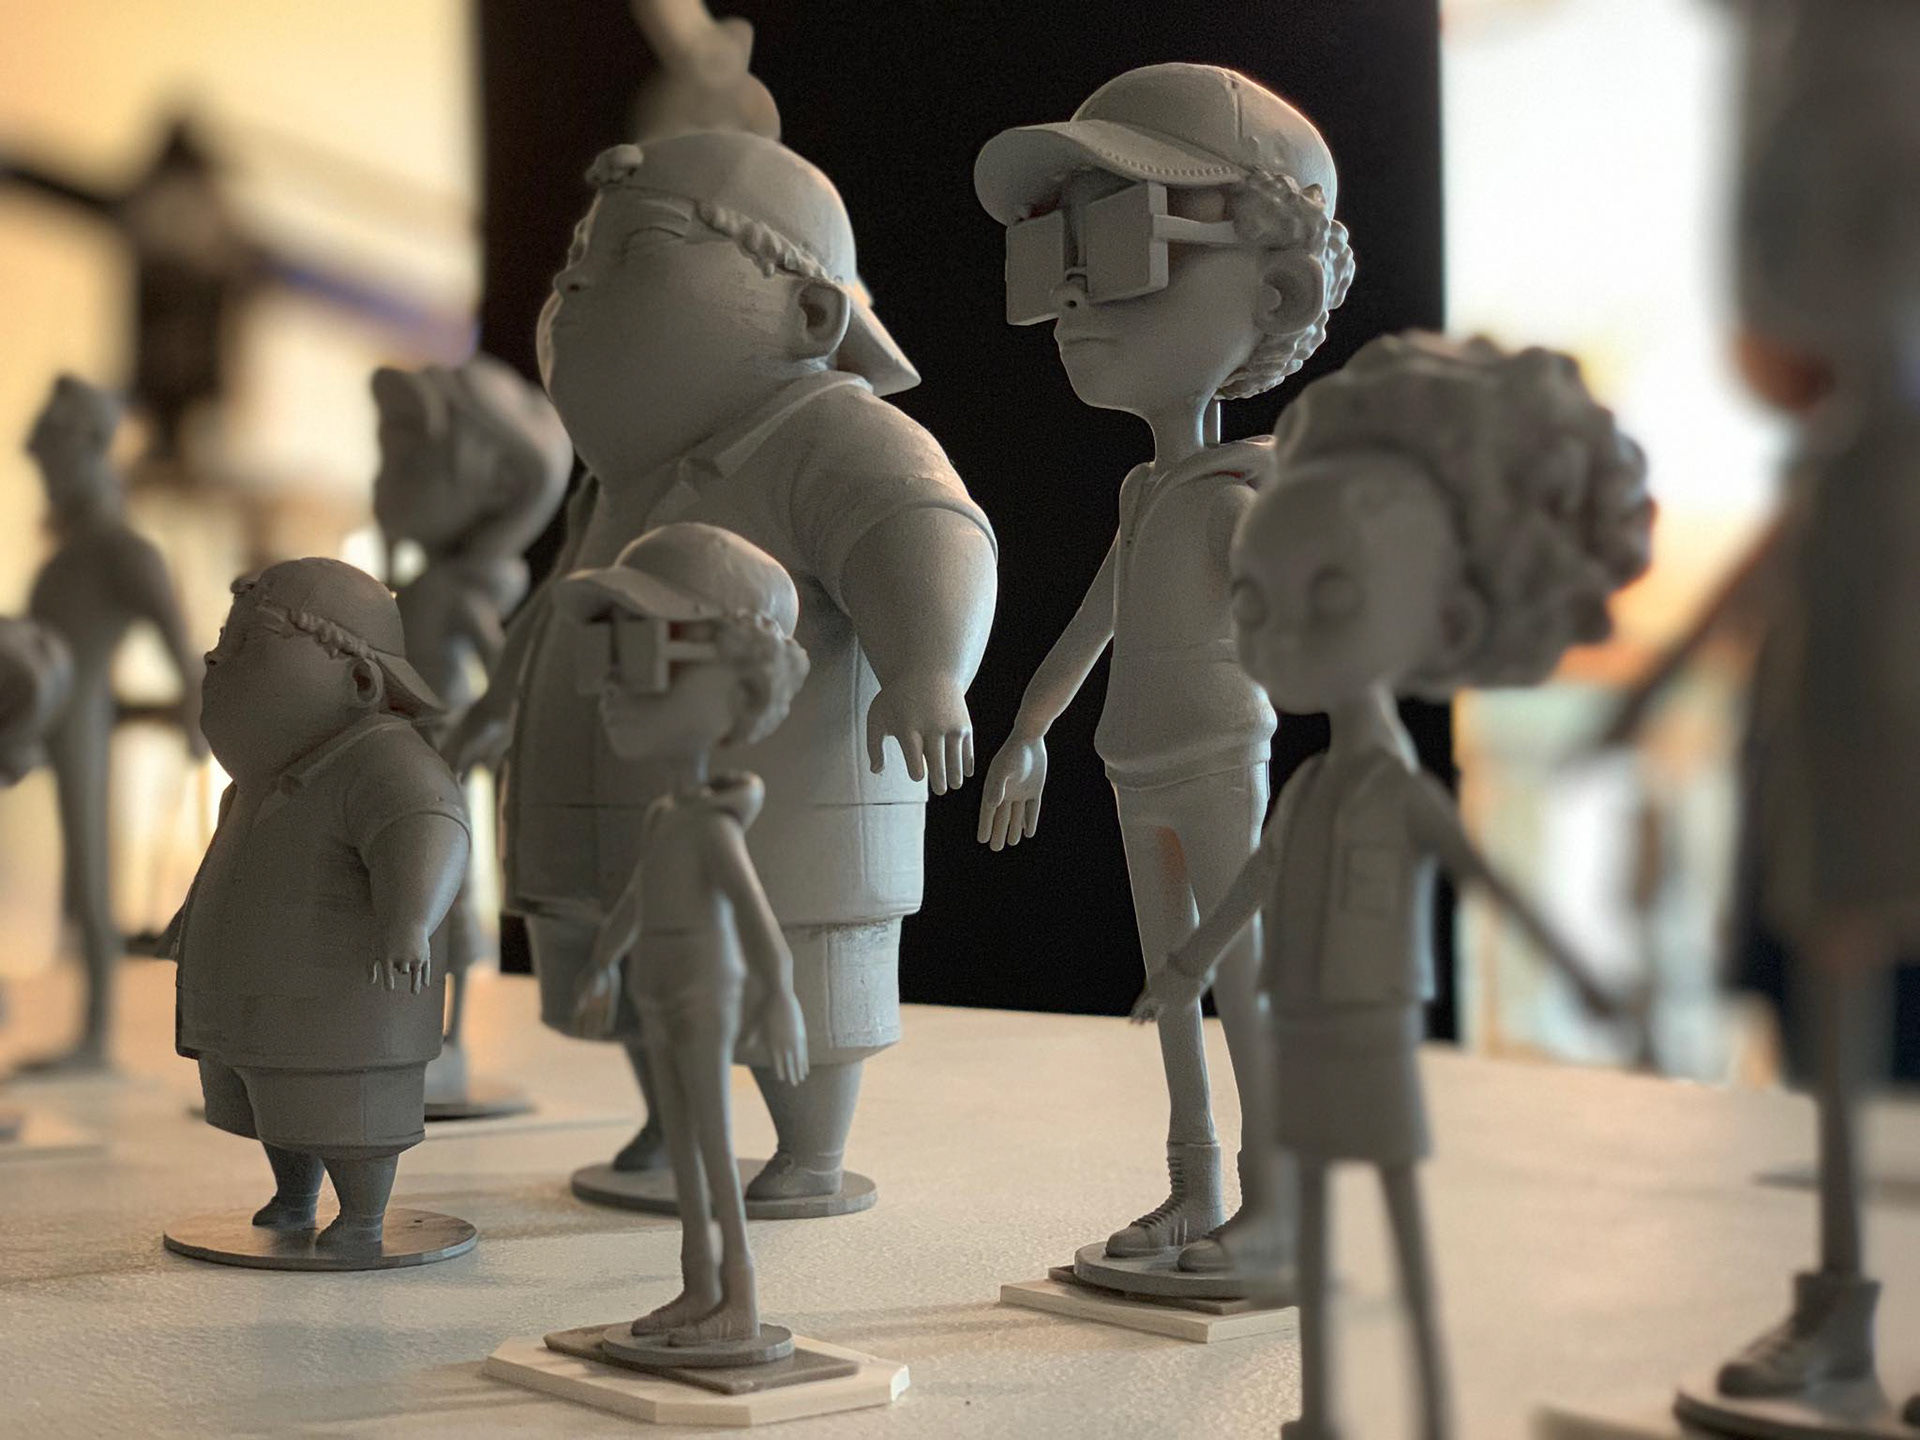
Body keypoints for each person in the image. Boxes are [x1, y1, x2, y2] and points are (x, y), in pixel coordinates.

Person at [445, 130, 997, 1203]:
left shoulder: (832, 435)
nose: (574, 284)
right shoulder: (616, 485)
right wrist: (503, 702)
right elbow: (557, 608)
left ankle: (809, 1151)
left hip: (788, 815)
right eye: (576, 258)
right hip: (609, 810)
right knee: (631, 970)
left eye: (638, 248)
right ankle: (668, 1125)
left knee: (801, 973)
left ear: (810, 316)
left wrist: (931, 666)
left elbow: (926, 529)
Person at [1137, 333, 1651, 1440]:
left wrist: (1585, 980)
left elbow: (1487, 880)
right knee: (1327, 1230)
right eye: (1255, 601)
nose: (1278, 635)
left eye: (1328, 597)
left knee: (1403, 1231)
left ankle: (1422, 1407)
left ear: (1444, 621)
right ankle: (1329, 1410)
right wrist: (1186, 964)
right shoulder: (1312, 783)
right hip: (1312, 1031)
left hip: (1372, 1036)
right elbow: (1257, 885)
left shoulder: (1388, 787)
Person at [971, 62, 1354, 1274]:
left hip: (1215, 764)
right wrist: (1029, 731)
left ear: (1277, 288)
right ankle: (1195, 1187)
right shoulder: (1150, 493)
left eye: (1124, 237)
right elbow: (1097, 624)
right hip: (1133, 767)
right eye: (1058, 250)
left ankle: (1277, 1202)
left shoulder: (1242, 493)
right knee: (1170, 988)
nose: (1078, 291)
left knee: (1240, 980)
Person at [172, 559, 469, 1253]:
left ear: (359, 681)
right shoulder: (257, 782)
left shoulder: (386, 761)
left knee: (344, 1108)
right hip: (257, 997)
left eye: (248, 643)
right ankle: (295, 1192)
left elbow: (430, 827)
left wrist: (411, 916)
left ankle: (363, 1214)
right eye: (223, 640)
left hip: (348, 1000)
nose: (215, 658)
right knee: (273, 1097)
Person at [566, 523, 810, 1352]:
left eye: (643, 649)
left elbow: (759, 925)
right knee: (682, 1144)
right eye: (610, 650)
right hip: (662, 990)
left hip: (706, 993)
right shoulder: (670, 815)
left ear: (736, 678)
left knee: (712, 1142)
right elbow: (638, 901)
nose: (613, 681)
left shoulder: (711, 827)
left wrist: (779, 996)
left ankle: (738, 1291)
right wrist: (604, 964)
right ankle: (698, 1284)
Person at [371, 355, 571, 1087]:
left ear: (501, 484)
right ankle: (404, 1025)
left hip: (440, 755)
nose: (384, 482)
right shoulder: (426, 585)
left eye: (410, 462)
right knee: (401, 891)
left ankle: (443, 1036)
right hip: (403, 754)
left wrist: (491, 727)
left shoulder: (457, 594)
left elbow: (507, 674)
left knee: (442, 893)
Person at [22, 374, 204, 1074]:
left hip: (76, 722)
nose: (44, 471)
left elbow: (181, 648)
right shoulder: (75, 551)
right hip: (40, 722)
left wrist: (195, 720)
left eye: (52, 455)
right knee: (73, 874)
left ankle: (94, 1034)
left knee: (88, 872)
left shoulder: (122, 551)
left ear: (88, 449)